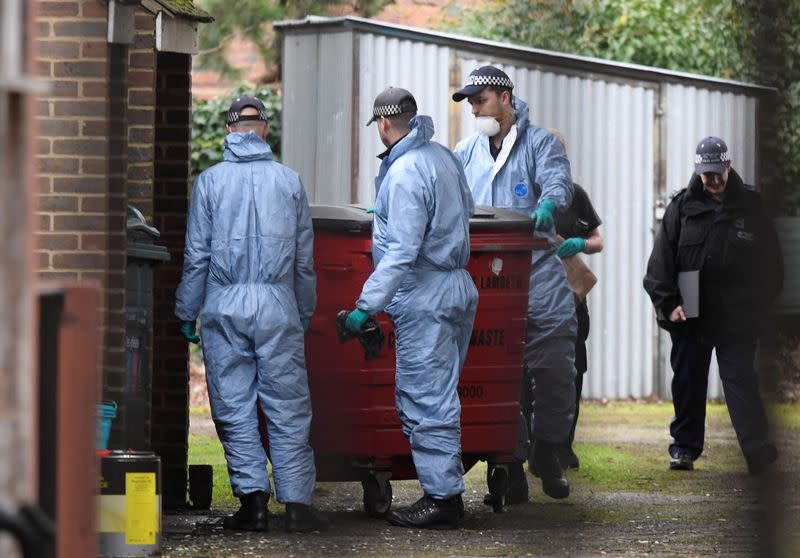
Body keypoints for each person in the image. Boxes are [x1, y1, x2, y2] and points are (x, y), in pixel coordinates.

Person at [175, 95, 329, 533]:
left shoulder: (209, 183)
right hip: (278, 303)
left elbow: (197, 255)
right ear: (263, 129)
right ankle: (297, 505)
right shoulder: (290, 182)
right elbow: (304, 258)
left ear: (228, 130)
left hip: (224, 305)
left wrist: (187, 309)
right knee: (288, 405)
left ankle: (253, 503)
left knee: (234, 404)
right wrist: (304, 307)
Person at [344, 87, 478, 529]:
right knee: (442, 395)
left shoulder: (403, 173)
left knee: (424, 397)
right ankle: (445, 491)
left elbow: (402, 252)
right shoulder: (443, 158)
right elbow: (464, 213)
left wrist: (365, 307)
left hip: (425, 294)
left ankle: (442, 498)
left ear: (383, 124)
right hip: (457, 287)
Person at [452, 66, 577, 503]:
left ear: (505, 97)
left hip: (537, 269)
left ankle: (547, 451)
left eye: (480, 99)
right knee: (495, 378)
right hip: (483, 275)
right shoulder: (464, 152)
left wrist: (547, 204)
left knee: (558, 367)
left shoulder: (539, 143)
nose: (474, 108)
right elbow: (440, 191)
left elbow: (558, 182)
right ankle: (510, 466)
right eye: (469, 101)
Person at [643, 136, 782, 475]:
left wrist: (759, 306)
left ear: (729, 165)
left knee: (740, 381)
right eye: (708, 175)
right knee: (689, 381)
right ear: (698, 171)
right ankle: (684, 449)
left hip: (738, 313)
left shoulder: (752, 206)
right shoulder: (682, 207)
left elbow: (773, 266)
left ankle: (757, 450)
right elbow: (660, 265)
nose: (714, 180)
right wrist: (669, 304)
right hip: (691, 309)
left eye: (719, 173)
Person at [550, 131, 604, 469]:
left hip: (572, 303)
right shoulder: (526, 192)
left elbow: (598, 239)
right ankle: (536, 447)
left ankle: (565, 446)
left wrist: (581, 245)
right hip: (535, 300)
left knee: (573, 373)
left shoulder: (575, 195)